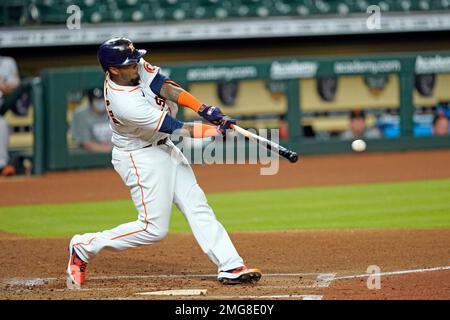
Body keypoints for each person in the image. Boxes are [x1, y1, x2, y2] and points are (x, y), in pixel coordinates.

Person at [66, 38, 262, 289]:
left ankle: (230, 265)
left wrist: (204, 109)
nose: (136, 65)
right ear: (113, 70)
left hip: (162, 147)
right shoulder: (124, 102)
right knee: (153, 229)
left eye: (136, 59)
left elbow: (163, 85)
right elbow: (177, 128)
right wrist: (216, 130)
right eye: (130, 64)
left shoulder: (132, 67)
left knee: (196, 204)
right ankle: (84, 246)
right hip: (140, 156)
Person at [71, 87, 113, 152]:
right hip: (90, 158)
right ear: (90, 101)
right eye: (97, 100)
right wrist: (109, 149)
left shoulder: (116, 111)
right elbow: (86, 143)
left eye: (103, 99)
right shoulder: (81, 115)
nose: (101, 103)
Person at [0, 54, 20, 177]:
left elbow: (16, 82)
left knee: (1, 124)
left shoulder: (7, 62)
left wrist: (3, 84)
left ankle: (1, 165)